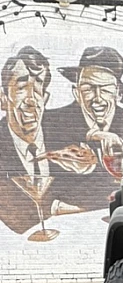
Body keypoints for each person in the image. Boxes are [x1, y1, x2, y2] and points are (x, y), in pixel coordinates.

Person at [0, 47, 83, 234]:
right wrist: (55, 208)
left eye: (38, 88)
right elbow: (14, 216)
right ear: (3, 99)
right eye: (21, 87)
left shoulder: (66, 133)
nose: (31, 100)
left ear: (45, 98)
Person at [43, 46, 123, 208]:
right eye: (88, 88)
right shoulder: (51, 122)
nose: (98, 98)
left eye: (105, 89)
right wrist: (92, 135)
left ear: (119, 94)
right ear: (76, 93)